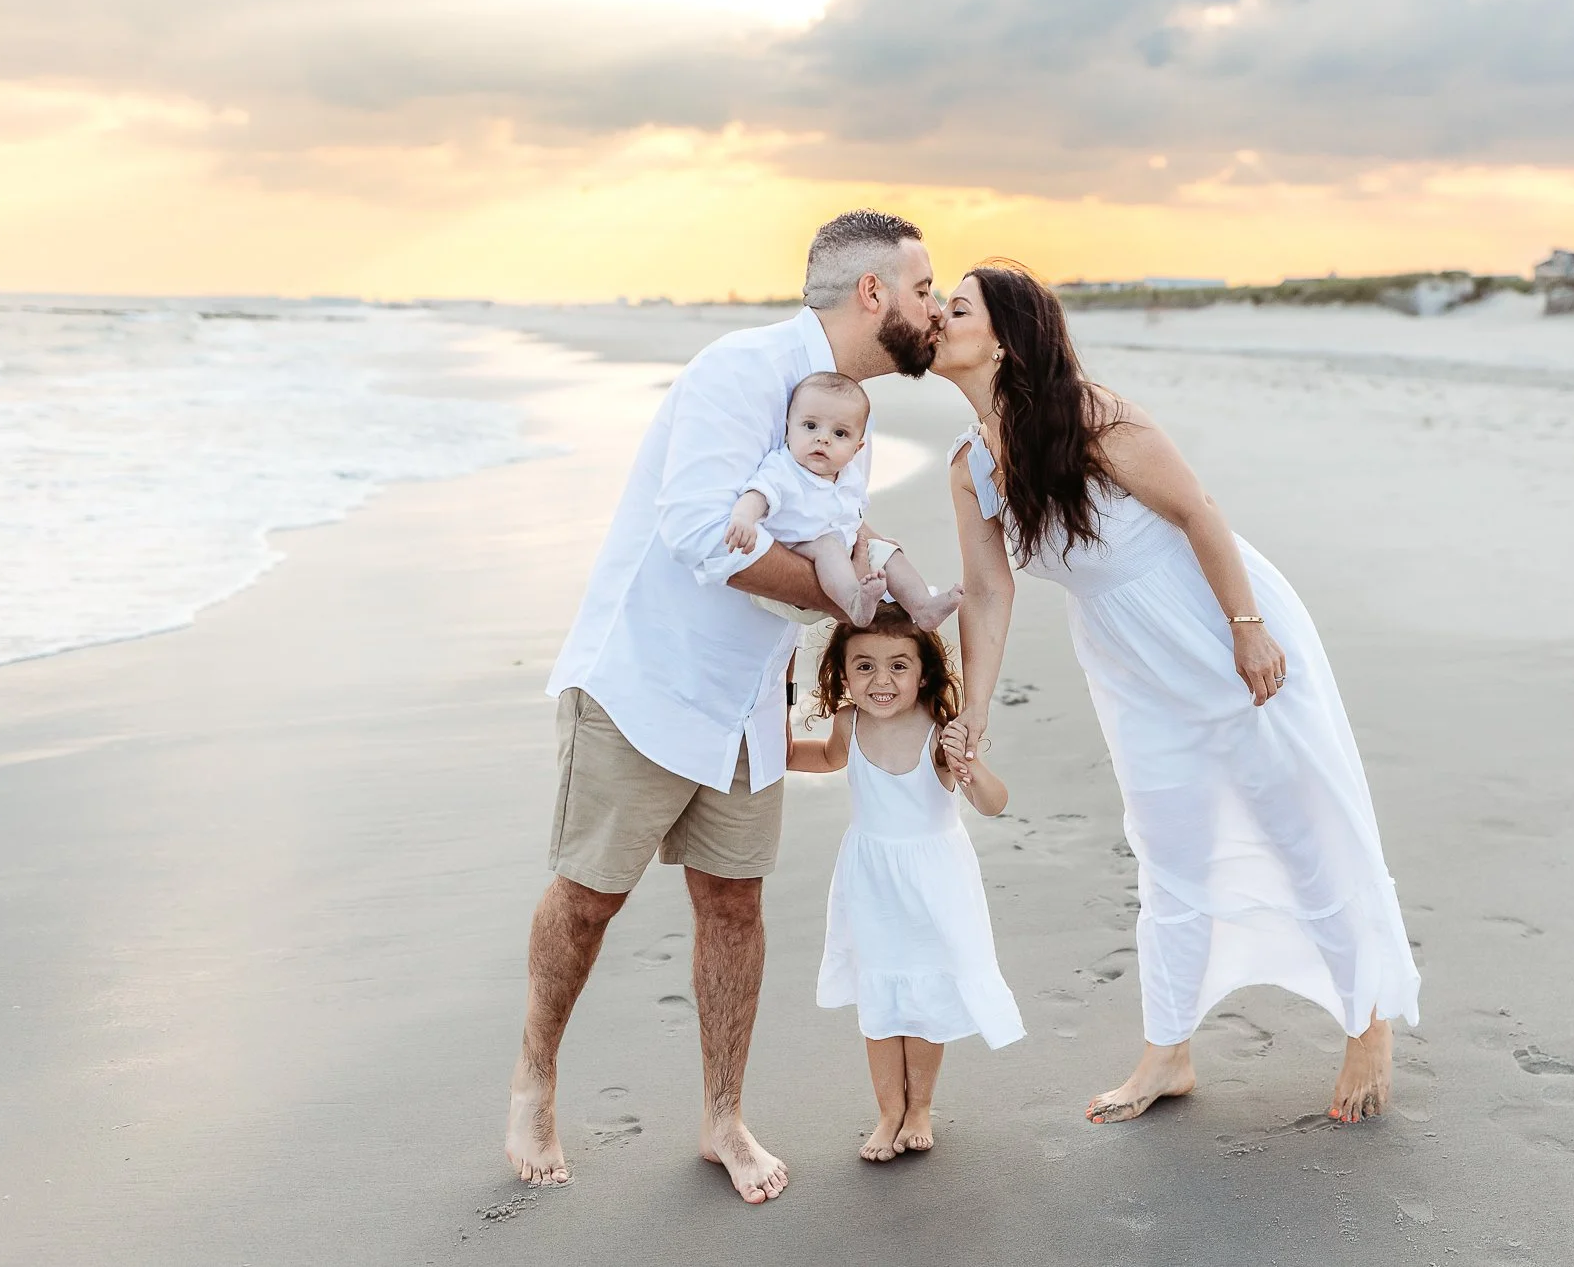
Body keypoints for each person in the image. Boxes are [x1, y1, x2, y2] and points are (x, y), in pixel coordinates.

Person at [503, 210, 943, 1203]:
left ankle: (722, 1119)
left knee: (733, 903)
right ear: (870, 294)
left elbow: (835, 535)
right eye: (921, 288)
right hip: (646, 679)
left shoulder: (850, 416)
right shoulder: (735, 373)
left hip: (749, 697)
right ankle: (535, 1076)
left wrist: (875, 642)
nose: (933, 305)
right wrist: (838, 596)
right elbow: (708, 535)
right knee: (587, 897)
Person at [933, 263, 1420, 1127]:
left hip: (1216, 626)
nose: (935, 316)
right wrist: (972, 712)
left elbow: (1199, 511)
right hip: (1131, 665)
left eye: (955, 306)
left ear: (1004, 335)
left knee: (1300, 823)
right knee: (1167, 846)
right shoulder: (970, 466)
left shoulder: (1091, 415)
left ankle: (1367, 1019)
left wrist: (1246, 622)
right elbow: (989, 593)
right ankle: (1169, 1051)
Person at [786, 604, 1023, 1162]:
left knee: (924, 995)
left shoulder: (940, 733)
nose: (881, 680)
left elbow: (994, 804)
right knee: (881, 994)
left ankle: (921, 1107)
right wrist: (771, 756)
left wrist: (970, 767)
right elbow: (824, 758)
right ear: (843, 675)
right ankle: (889, 1109)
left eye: (898, 666)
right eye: (864, 667)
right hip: (870, 882)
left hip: (934, 883)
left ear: (924, 675)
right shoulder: (850, 723)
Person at [718, 371, 963, 630]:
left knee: (888, 552)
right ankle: (855, 604)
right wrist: (743, 518)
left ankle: (923, 607)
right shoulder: (783, 469)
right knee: (827, 545)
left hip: (841, 568)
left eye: (839, 433)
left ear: (857, 448)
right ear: (788, 428)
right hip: (793, 568)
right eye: (810, 426)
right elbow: (757, 495)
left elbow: (854, 522)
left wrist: (879, 542)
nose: (823, 438)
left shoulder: (848, 478)